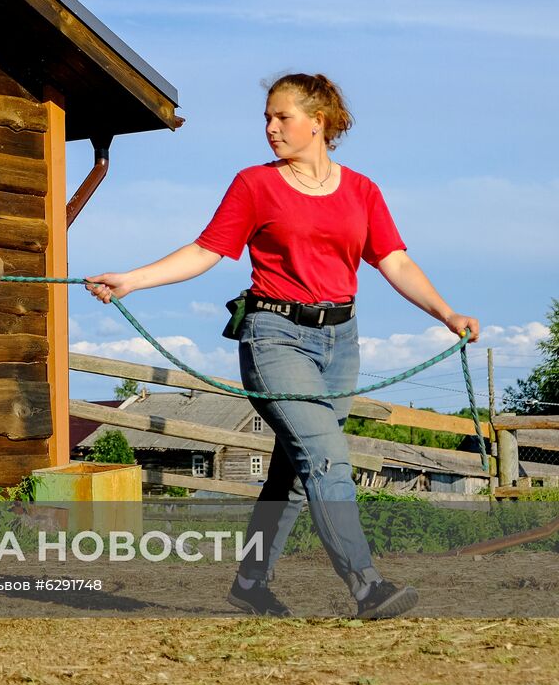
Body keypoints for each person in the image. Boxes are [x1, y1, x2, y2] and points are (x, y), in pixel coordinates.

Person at [85, 73, 479, 620]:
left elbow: (395, 260)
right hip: (274, 337)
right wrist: (132, 278)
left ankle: (250, 581)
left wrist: (447, 313)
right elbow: (206, 250)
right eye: (266, 119)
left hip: (341, 342)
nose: (270, 128)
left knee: (294, 472)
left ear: (317, 122)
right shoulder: (254, 185)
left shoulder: (362, 191)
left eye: (282, 117)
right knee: (326, 457)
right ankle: (367, 586)